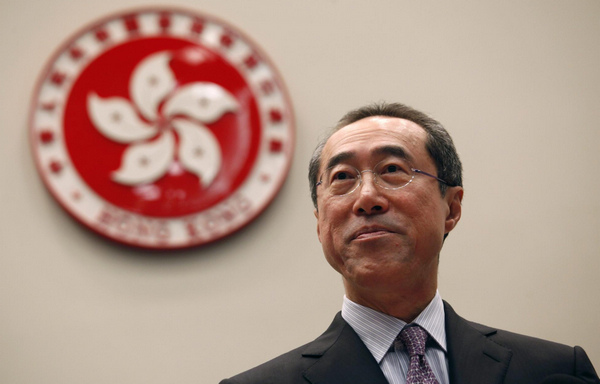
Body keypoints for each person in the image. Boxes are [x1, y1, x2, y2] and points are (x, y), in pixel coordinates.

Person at [220, 102, 599, 384]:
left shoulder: (555, 371)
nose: (366, 197)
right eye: (342, 177)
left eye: (392, 170)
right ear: (320, 224)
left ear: (451, 208)